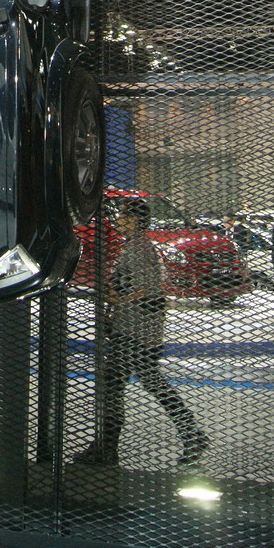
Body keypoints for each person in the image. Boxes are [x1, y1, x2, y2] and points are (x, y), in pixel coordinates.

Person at [79, 197, 208, 467]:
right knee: (146, 381)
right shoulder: (136, 246)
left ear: (135, 220)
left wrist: (116, 299)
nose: (118, 220)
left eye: (123, 215)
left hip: (135, 330)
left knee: (114, 385)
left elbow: (147, 288)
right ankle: (190, 434)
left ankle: (106, 448)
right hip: (137, 328)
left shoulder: (139, 248)